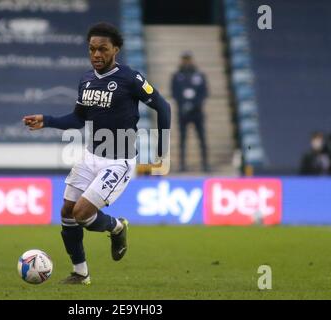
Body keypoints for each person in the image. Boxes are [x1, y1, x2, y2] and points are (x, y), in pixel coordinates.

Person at [23, 22, 171, 285]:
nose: (96, 55)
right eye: (92, 49)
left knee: (81, 213)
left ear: (116, 49)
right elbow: (78, 119)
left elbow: (163, 106)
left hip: (119, 161)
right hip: (91, 156)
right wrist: (46, 120)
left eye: (102, 49)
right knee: (67, 212)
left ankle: (116, 227)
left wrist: (162, 148)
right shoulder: (86, 80)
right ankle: (81, 273)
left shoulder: (130, 78)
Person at [171, 51, 209, 172]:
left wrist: (194, 104)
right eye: (184, 59)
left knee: (201, 138)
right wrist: (183, 104)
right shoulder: (177, 76)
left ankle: (205, 164)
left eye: (188, 59)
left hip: (197, 112)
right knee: (182, 139)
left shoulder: (199, 75)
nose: (186, 62)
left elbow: (204, 92)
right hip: (183, 112)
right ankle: (182, 164)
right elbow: (174, 92)